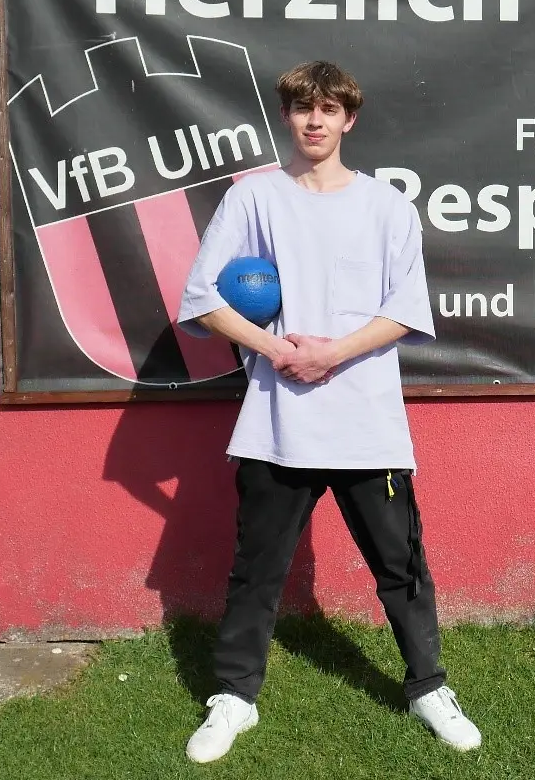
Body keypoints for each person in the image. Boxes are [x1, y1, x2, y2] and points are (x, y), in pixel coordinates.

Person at [175, 61, 481, 763]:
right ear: (287, 117)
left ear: (349, 119)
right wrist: (277, 349)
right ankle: (234, 699)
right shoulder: (254, 200)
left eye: (329, 110)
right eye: (302, 109)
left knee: (400, 567)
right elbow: (201, 298)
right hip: (277, 423)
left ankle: (428, 687)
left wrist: (330, 355)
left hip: (366, 425)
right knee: (257, 570)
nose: (315, 121)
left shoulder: (387, 208)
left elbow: (405, 311)